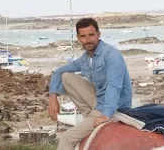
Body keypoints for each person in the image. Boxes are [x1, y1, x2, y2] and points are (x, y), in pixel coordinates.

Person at [47, 18, 133, 150]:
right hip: (98, 101)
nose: (88, 40)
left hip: (114, 108)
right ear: (78, 38)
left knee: (67, 138)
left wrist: (105, 115)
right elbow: (58, 72)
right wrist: (53, 97)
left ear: (98, 35)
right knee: (66, 77)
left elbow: (113, 86)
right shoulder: (86, 58)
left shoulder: (111, 54)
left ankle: (93, 118)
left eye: (91, 35)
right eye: (83, 36)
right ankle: (89, 116)